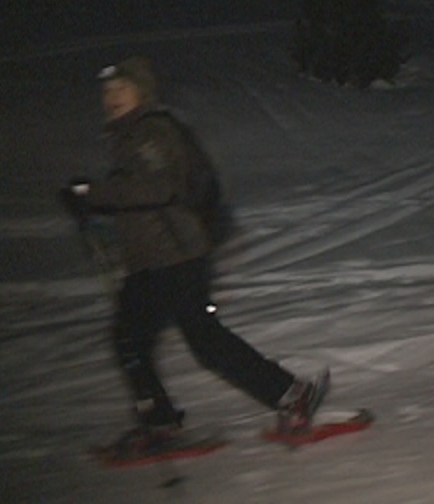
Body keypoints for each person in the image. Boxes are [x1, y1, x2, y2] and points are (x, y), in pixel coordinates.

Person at [60, 57, 322, 444]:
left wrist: (93, 195)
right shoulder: (130, 136)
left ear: (141, 92)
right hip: (153, 261)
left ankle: (286, 395)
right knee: (142, 340)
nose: (112, 98)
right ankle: (165, 417)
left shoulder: (151, 131)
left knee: (189, 341)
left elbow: (157, 187)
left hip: (176, 258)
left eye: (121, 89)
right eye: (107, 92)